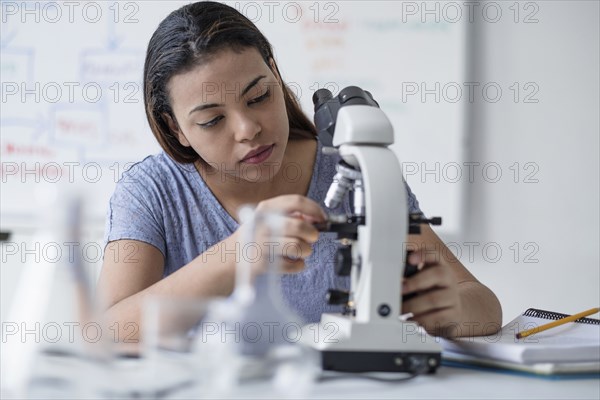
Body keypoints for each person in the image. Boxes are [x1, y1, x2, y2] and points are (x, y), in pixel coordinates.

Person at [97, 1, 502, 342]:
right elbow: (106, 333)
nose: (248, 129)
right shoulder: (151, 191)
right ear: (175, 129)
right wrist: (239, 254)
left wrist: (445, 310)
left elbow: (483, 305)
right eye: (211, 121)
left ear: (275, 72)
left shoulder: (357, 168)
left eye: (258, 97)